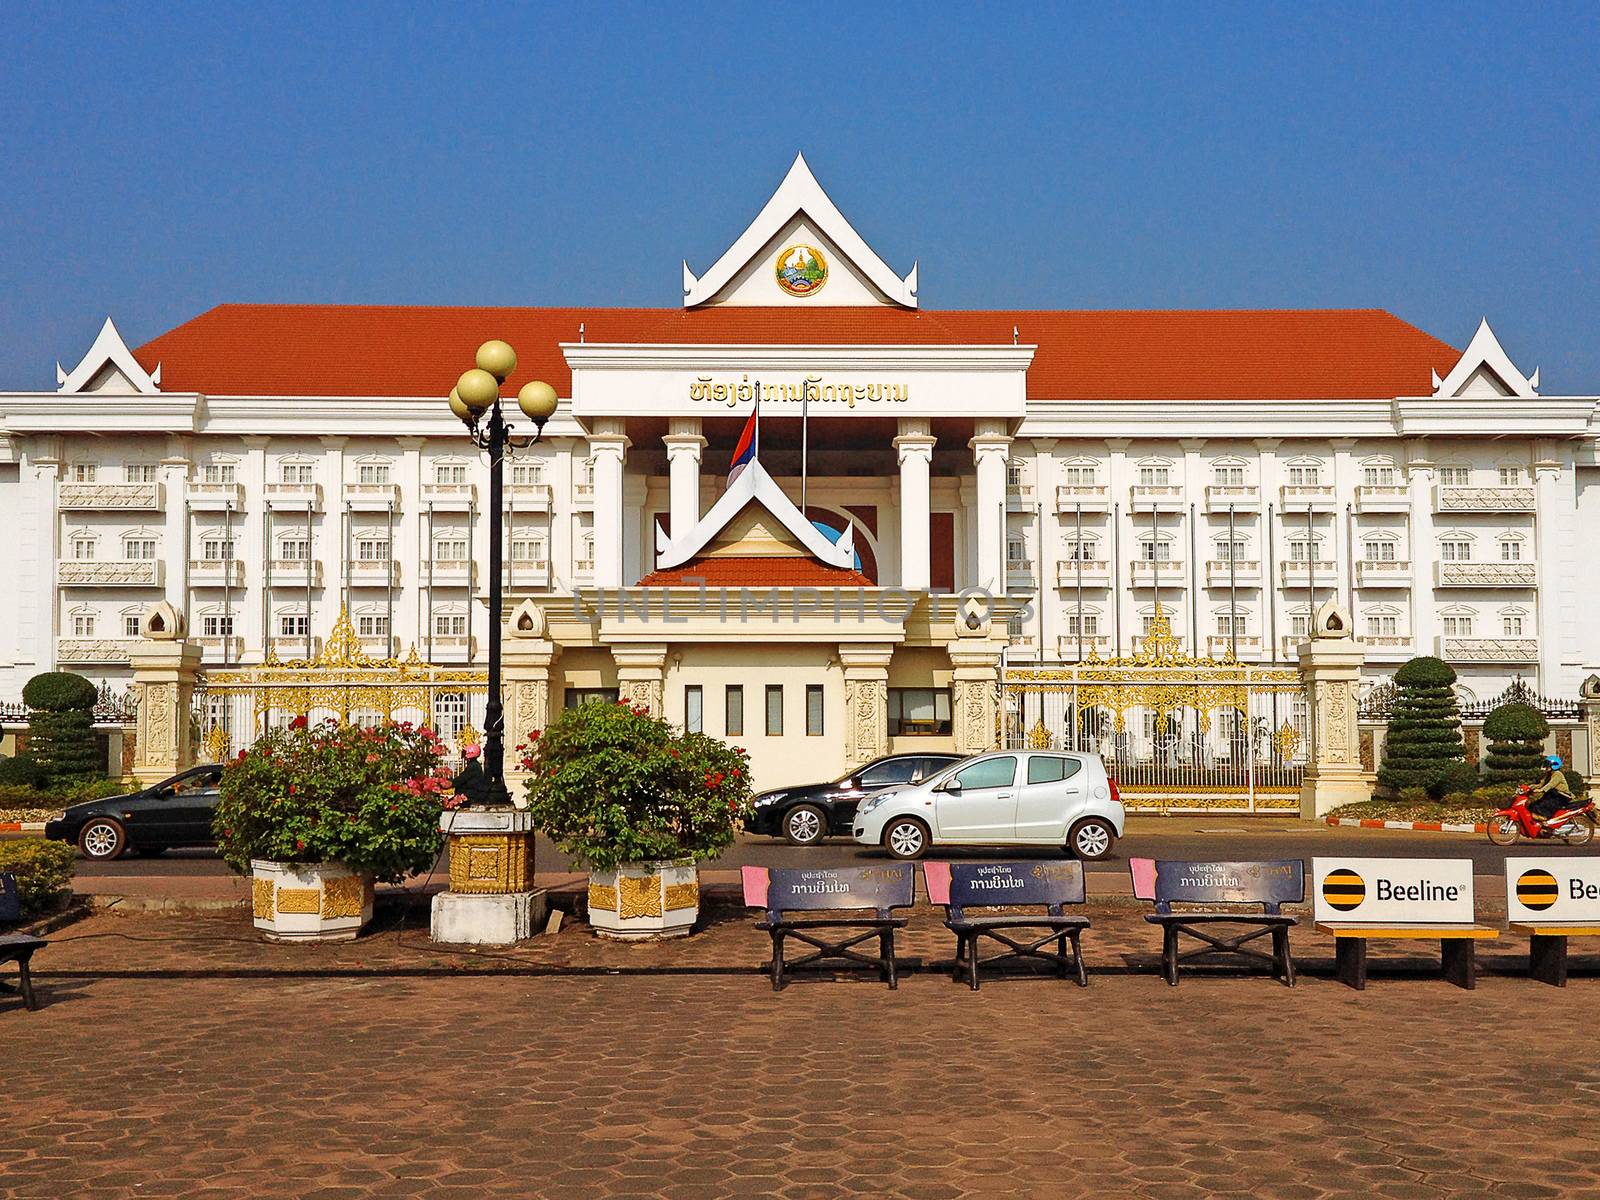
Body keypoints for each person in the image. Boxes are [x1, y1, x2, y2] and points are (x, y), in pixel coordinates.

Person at [1529, 755, 1576, 824]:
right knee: (1533, 805)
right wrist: (1529, 787)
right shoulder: (1549, 774)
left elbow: (1551, 784)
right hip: (1553, 795)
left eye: (1548, 765)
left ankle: (1546, 820)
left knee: (1542, 805)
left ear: (1554, 766)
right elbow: (1541, 784)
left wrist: (1541, 790)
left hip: (1561, 797)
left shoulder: (1557, 774)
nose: (1546, 767)